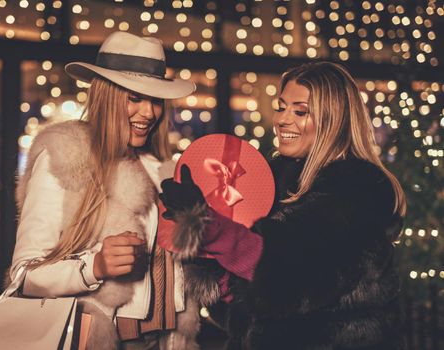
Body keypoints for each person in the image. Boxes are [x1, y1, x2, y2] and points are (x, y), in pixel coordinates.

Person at [160, 62, 407, 349]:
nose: (282, 120)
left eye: (300, 111)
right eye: (280, 107)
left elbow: (287, 277)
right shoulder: (273, 181)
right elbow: (247, 310)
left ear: (333, 120)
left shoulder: (357, 189)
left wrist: (208, 226)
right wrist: (221, 280)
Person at [8, 31, 203, 350]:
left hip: (168, 341)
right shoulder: (67, 156)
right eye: (134, 97)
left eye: (155, 99)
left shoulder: (163, 170)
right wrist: (93, 267)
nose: (148, 113)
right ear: (106, 95)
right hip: (102, 339)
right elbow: (23, 276)